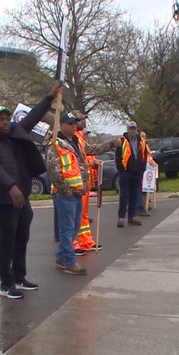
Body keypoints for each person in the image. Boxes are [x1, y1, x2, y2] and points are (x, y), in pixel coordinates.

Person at [0, 83, 64, 299]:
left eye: (7, 119)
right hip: (3, 199)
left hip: (21, 196)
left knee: (22, 236)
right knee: (7, 239)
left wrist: (49, 97)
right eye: (1, 120)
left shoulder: (16, 132)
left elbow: (33, 117)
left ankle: (19, 276)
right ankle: (5, 283)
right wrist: (11, 186)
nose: (5, 123)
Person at [47, 112, 118, 274]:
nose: (73, 126)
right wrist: (66, 189)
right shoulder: (55, 144)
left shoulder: (77, 141)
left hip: (78, 192)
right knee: (67, 228)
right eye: (70, 123)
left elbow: (93, 149)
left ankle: (61, 257)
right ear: (62, 125)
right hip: (65, 194)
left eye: (74, 124)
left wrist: (111, 144)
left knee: (75, 227)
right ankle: (70, 262)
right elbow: (53, 170)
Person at [70, 111, 109, 256]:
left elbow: (87, 154)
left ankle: (86, 242)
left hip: (84, 183)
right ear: (75, 122)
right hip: (75, 184)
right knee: (74, 216)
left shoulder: (80, 138)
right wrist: (90, 162)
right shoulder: (71, 138)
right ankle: (73, 244)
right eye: (81, 120)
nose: (84, 123)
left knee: (83, 214)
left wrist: (92, 162)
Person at [115, 121, 148, 227]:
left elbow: (144, 155)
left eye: (134, 128)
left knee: (134, 195)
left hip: (137, 172)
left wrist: (142, 168)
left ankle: (132, 217)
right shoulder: (122, 141)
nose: (133, 130)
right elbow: (118, 157)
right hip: (126, 173)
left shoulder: (141, 142)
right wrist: (122, 170)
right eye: (131, 128)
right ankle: (121, 218)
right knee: (124, 196)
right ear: (128, 129)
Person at [135, 128, 157, 217]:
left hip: (147, 169)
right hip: (140, 169)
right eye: (142, 136)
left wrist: (153, 163)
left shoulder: (146, 146)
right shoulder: (138, 145)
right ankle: (139, 207)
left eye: (145, 136)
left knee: (145, 188)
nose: (144, 138)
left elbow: (148, 156)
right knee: (139, 188)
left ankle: (144, 205)